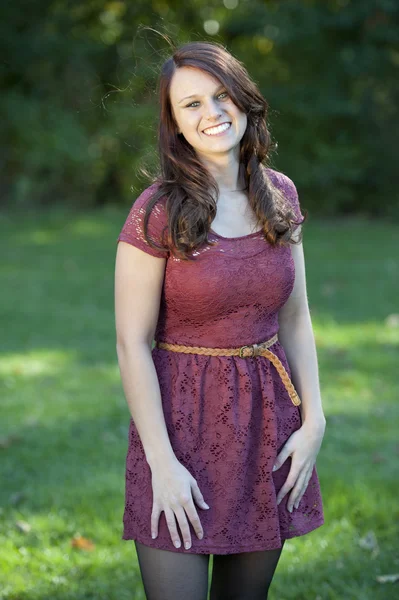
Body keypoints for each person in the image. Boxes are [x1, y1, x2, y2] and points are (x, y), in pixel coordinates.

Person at [115, 40, 326, 600]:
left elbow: (296, 317)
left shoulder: (280, 195)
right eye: (191, 105)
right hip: (179, 429)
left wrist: (314, 422)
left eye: (221, 94)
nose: (212, 113)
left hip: (266, 424)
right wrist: (161, 461)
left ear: (243, 100)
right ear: (174, 124)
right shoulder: (157, 210)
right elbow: (131, 342)